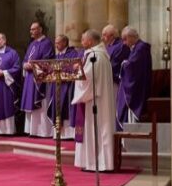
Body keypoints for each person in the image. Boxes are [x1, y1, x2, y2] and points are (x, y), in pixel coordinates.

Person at [71, 30, 116, 171]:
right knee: (101, 130)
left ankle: (94, 163)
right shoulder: (103, 56)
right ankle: (102, 163)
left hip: (94, 101)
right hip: (101, 100)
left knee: (94, 130)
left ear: (90, 41)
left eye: (83, 39)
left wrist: (78, 71)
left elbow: (87, 80)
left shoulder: (94, 56)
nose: (81, 41)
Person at [21, 22, 55, 137]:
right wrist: (25, 65)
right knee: (31, 101)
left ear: (40, 29)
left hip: (40, 79)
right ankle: (33, 131)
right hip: (30, 78)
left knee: (41, 103)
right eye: (30, 29)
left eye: (33, 29)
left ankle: (43, 131)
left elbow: (48, 60)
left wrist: (34, 66)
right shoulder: (32, 44)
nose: (31, 31)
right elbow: (26, 58)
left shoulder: (47, 43)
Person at [117, 27, 152, 130]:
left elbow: (133, 66)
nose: (124, 43)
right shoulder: (137, 48)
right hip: (138, 85)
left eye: (125, 39)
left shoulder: (141, 48)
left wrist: (124, 64)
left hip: (137, 88)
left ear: (131, 37)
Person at [46, 35, 79, 140]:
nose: (56, 45)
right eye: (55, 43)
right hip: (57, 86)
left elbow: (74, 68)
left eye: (58, 43)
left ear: (65, 43)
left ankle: (68, 134)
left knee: (67, 106)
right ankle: (58, 133)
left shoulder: (73, 53)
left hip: (68, 86)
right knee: (57, 106)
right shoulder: (57, 56)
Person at [102, 24, 130, 94]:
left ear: (112, 36)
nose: (102, 37)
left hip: (116, 81)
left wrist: (103, 71)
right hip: (108, 78)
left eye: (104, 34)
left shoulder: (121, 46)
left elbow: (115, 64)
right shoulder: (108, 46)